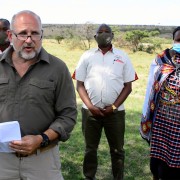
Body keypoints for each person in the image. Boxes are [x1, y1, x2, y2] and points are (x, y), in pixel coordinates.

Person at [0, 10, 77, 180]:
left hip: (42, 159)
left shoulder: (57, 68)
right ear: (10, 35)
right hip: (2, 161)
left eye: (35, 33)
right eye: (22, 34)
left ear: (41, 34)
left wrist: (41, 139)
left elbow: (68, 114)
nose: (29, 40)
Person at [72, 24, 138, 180]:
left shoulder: (123, 56)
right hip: (90, 112)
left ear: (112, 35)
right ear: (95, 37)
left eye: (106, 31)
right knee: (90, 149)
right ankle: (89, 177)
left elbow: (128, 87)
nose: (103, 34)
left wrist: (114, 107)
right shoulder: (86, 56)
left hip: (115, 113)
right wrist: (90, 106)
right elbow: (79, 85)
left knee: (117, 150)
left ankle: (118, 177)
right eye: (100, 32)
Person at [140, 27, 180, 180]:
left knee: (175, 162)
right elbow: (151, 88)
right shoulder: (161, 60)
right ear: (173, 40)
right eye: (178, 40)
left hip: (178, 127)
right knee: (158, 159)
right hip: (161, 121)